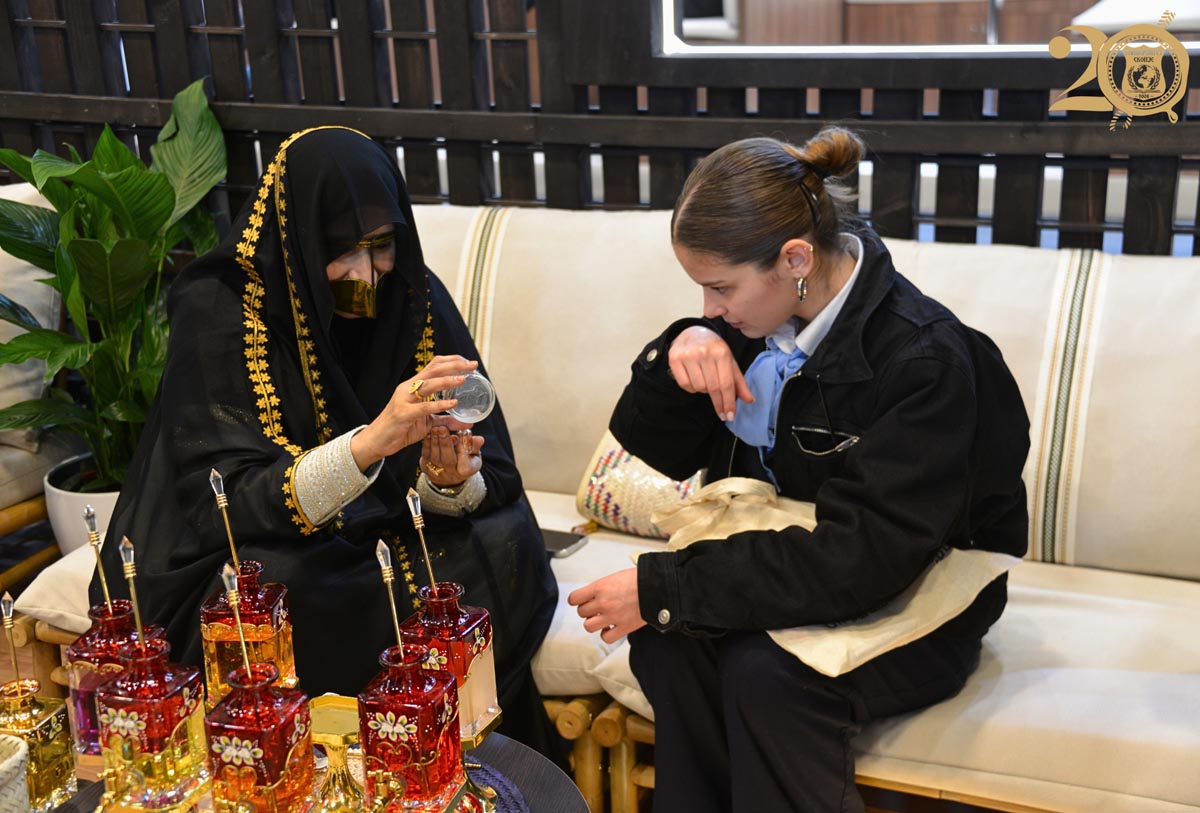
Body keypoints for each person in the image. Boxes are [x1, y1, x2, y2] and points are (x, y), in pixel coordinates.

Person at [569, 127, 1030, 812]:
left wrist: (671, 584)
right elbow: (659, 450)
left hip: (926, 590)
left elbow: (863, 557)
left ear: (795, 258)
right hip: (803, 572)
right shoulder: (748, 324)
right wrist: (681, 348)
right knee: (669, 644)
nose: (711, 308)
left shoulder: (926, 361)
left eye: (719, 287)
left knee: (766, 674)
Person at [93, 126, 561, 758]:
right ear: (299, 240)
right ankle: (336, 771)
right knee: (289, 587)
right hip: (254, 540)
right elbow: (227, 496)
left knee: (502, 542)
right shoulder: (220, 306)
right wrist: (372, 443)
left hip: (384, 527)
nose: (367, 277)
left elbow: (488, 473)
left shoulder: (411, 294)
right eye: (344, 251)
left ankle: (448, 764)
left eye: (382, 246)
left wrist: (448, 483)